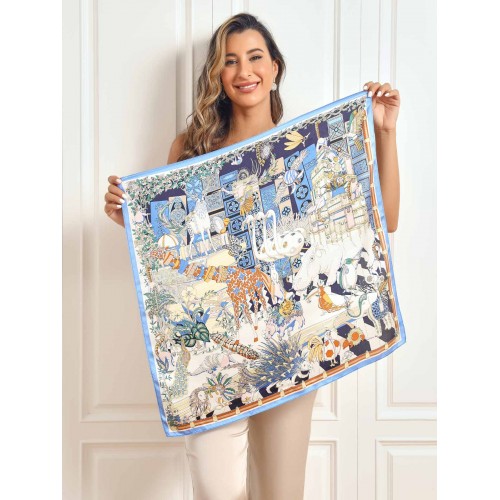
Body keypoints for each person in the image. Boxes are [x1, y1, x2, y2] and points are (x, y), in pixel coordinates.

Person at [104, 12, 400, 500]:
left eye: (255, 57)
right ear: (217, 75)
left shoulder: (303, 147)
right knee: (216, 489)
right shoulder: (190, 151)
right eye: (230, 60)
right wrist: (128, 218)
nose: (244, 70)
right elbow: (167, 246)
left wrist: (384, 131)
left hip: (291, 345)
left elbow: (382, 219)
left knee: (281, 493)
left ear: (275, 67)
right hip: (214, 358)